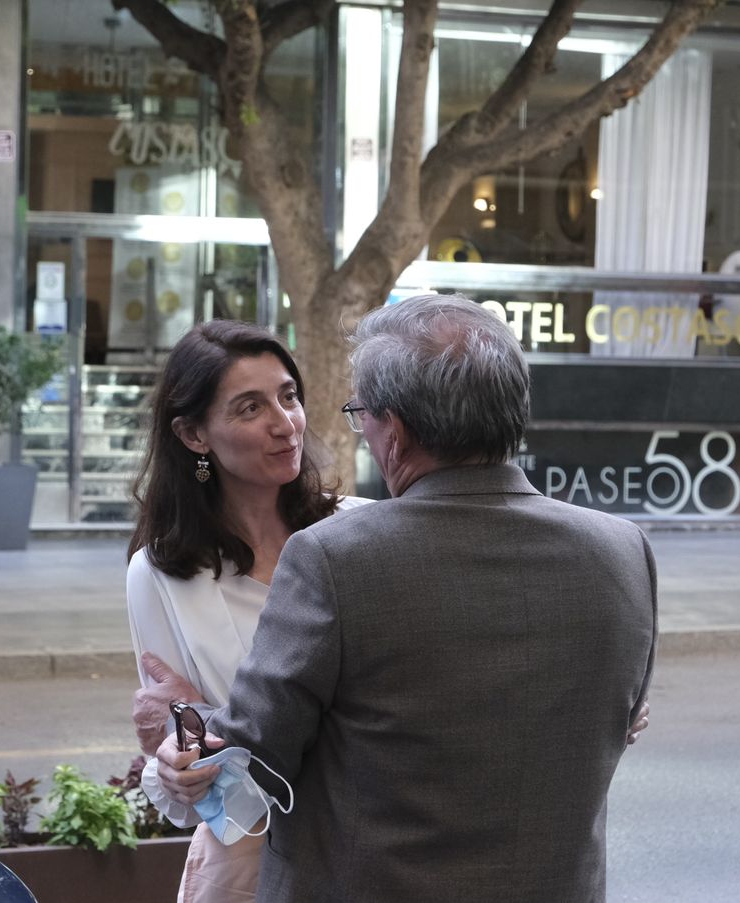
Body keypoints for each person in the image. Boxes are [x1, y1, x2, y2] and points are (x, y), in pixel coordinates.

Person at [155, 295, 657, 903]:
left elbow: (250, 761)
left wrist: (188, 721)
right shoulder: (623, 550)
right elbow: (622, 718)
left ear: (393, 430)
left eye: (360, 414)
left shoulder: (335, 558)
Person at [125, 319, 368, 902]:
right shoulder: (160, 574)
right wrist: (182, 765)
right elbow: (194, 761)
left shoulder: (362, 529)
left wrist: (221, 723)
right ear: (194, 435)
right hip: (251, 867)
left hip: (374, 856)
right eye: (250, 408)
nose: (285, 424)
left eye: (289, 397)